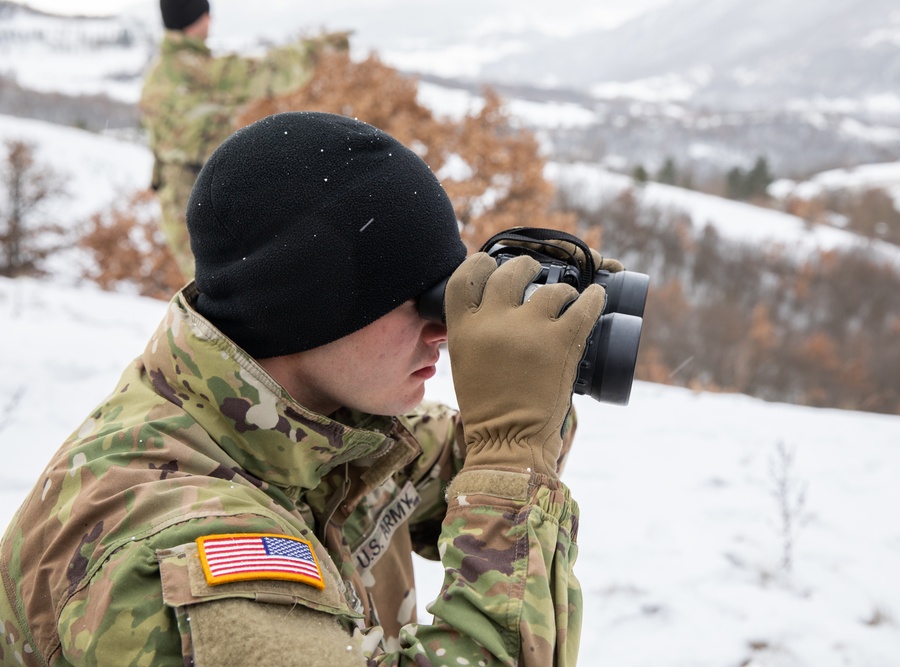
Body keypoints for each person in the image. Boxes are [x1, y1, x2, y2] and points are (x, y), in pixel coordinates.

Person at [0, 112, 611, 666]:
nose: (445, 332)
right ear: (311, 307)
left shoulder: (313, 427)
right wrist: (512, 446)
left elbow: (482, 456)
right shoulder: (180, 562)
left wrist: (544, 352)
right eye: (425, 302)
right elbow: (505, 456)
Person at [139, 0, 349, 277]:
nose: (210, 22)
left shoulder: (159, 71)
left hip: (174, 197)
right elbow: (272, 74)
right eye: (206, 14)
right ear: (198, 18)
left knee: (207, 286)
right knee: (225, 288)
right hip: (201, 191)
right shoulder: (202, 71)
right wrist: (317, 49)